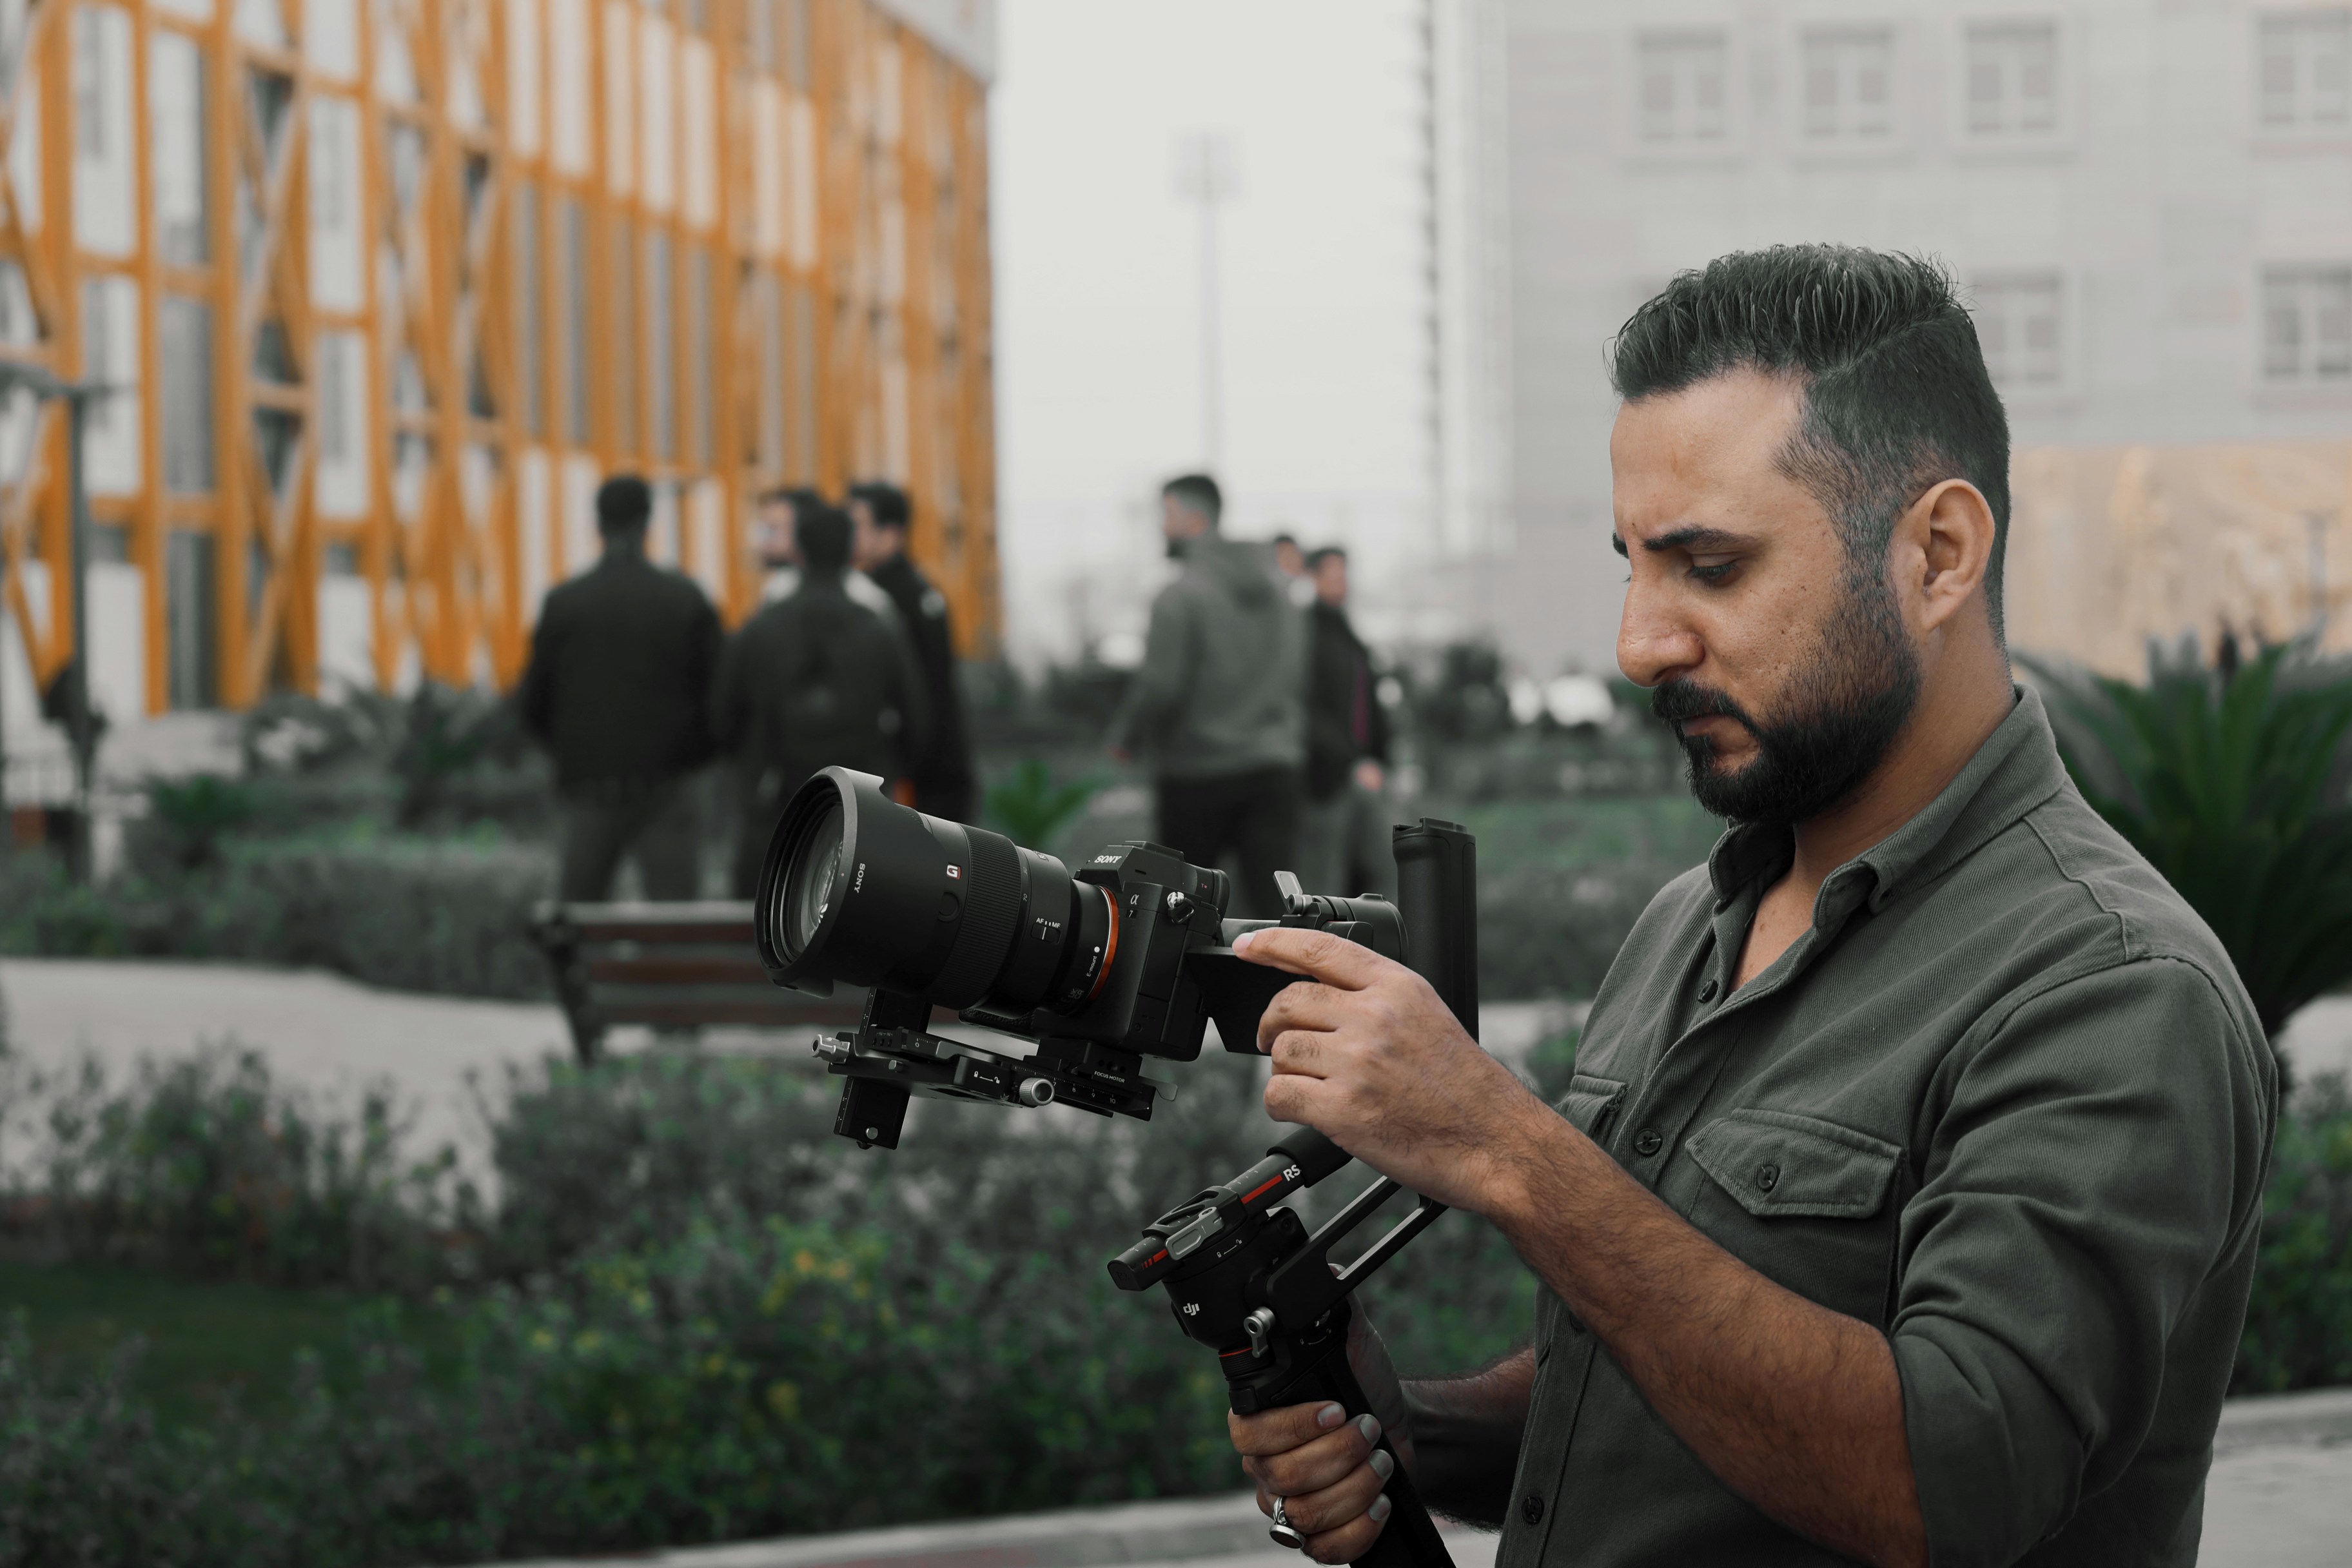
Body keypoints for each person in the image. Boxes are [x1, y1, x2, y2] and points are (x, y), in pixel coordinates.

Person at [1224, 246, 2277, 1567]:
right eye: (1633, 565)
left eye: (1708, 567)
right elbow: (1656, 1377)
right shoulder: (1689, 919)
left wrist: (1508, 1150)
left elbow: (1954, 1480)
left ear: (1939, 554)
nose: (1639, 643)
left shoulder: (2111, 986)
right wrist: (1404, 1434)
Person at [1110, 473, 1307, 919]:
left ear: (1194, 518)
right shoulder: (1281, 592)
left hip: (1197, 773)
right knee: (1282, 912)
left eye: (1167, 514)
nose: (1161, 526)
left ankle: (1194, 992)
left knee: (1183, 913)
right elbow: (1298, 673)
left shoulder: (1179, 596)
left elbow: (1160, 685)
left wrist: (1127, 738)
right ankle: (1289, 989)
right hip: (1273, 766)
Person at [519, 474, 722, 901]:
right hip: (667, 785)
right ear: (649, 523)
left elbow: (533, 702)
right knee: (678, 928)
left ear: (598, 524)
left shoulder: (565, 603)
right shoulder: (684, 599)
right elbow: (719, 698)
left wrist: (571, 754)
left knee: (579, 922)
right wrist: (691, 756)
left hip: (590, 787)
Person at [712, 502, 928, 895]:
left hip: (776, 803)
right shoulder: (878, 628)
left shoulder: (762, 628)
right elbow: (917, 721)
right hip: (862, 802)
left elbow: (723, 717)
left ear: (798, 550)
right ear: (851, 552)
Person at [850, 480, 979, 824]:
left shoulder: (891, 601)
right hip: (938, 769)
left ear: (890, 533)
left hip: (921, 778)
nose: (849, 536)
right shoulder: (917, 591)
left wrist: (905, 767)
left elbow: (923, 695)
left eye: (858, 525)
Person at [1298, 547, 1393, 899]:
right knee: (1325, 885)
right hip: (1326, 781)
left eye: (1344, 575)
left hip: (1365, 774)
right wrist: (1351, 761)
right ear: (1312, 578)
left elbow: (1367, 704)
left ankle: (1378, 952)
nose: (1342, 584)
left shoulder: (1346, 634)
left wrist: (1380, 758)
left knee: (1384, 872)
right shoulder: (1306, 633)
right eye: (1333, 575)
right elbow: (1307, 709)